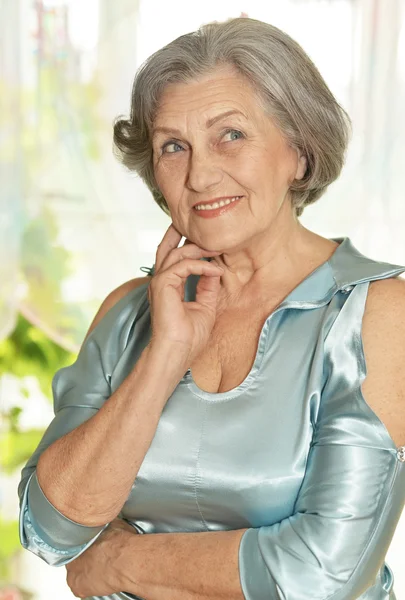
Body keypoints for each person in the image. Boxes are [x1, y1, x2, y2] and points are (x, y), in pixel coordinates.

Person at [17, 16, 405, 600]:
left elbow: (322, 575)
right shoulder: (129, 312)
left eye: (231, 135)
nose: (199, 174)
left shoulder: (378, 313)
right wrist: (165, 354)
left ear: (298, 152)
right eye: (174, 146)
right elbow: (48, 528)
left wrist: (120, 560)